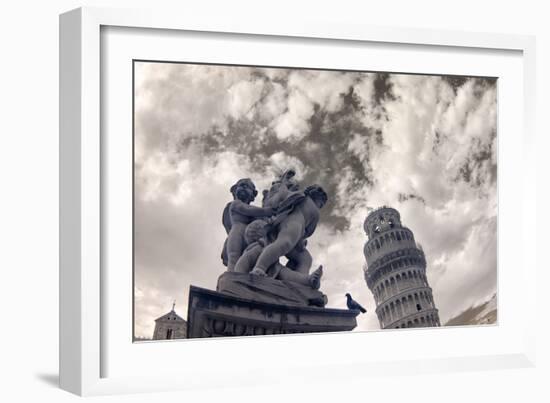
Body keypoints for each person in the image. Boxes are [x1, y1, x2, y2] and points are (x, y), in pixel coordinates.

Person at [250, 184, 328, 278]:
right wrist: (302, 240)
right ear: (318, 199)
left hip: (285, 222)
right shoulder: (314, 209)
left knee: (305, 258)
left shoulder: (298, 196)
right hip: (295, 224)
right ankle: (260, 268)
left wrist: (283, 184)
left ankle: (302, 279)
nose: (321, 206)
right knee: (284, 244)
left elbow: (283, 196)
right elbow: (309, 231)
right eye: (321, 204)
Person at [224, 178, 275, 271]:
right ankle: (231, 276)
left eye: (248, 187)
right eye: (241, 185)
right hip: (236, 233)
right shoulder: (236, 203)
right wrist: (267, 211)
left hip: (248, 235)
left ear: (253, 195)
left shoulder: (256, 214)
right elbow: (248, 210)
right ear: (235, 190)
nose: (244, 187)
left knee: (249, 257)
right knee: (234, 257)